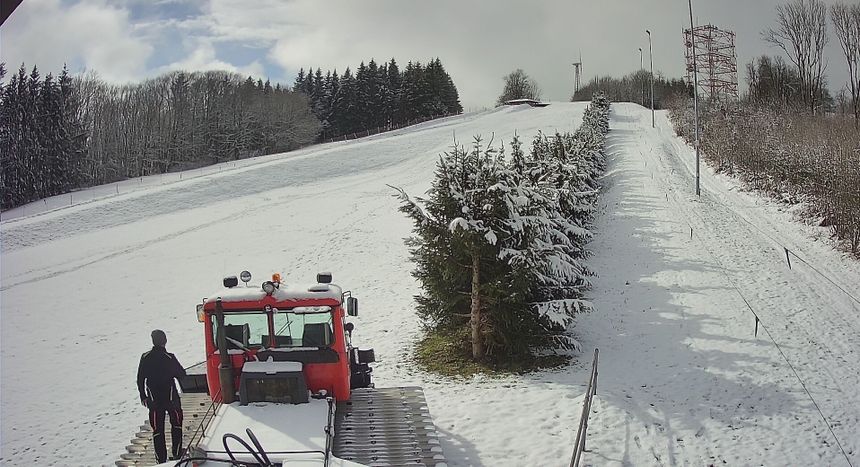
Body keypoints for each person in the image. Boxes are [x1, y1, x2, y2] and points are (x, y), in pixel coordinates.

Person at [137, 329, 187, 463]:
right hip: (171, 399)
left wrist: (143, 396)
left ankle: (161, 460)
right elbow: (182, 374)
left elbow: (140, 379)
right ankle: (177, 453)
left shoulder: (145, 357)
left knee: (157, 430)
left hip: (154, 401)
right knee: (176, 424)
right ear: (165, 341)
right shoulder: (169, 358)